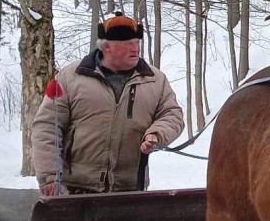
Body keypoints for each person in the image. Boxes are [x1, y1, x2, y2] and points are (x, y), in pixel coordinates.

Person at [31, 12, 184, 195]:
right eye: (128, 44)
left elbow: (172, 115)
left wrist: (157, 134)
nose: (135, 49)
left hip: (130, 191)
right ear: (107, 47)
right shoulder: (70, 77)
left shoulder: (155, 80)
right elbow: (47, 127)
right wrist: (50, 177)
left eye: (136, 43)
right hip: (74, 191)